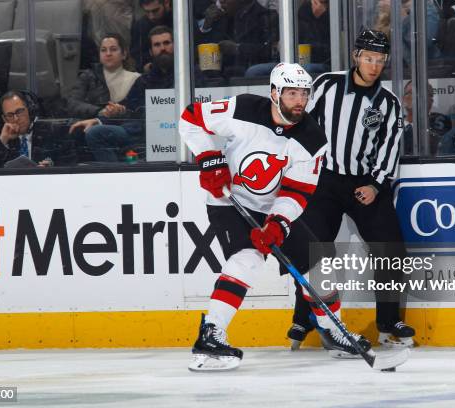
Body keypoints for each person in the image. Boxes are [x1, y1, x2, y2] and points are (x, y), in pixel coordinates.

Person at [178, 62, 361, 371]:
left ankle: (332, 330)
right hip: (229, 200)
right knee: (248, 258)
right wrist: (210, 159)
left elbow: (297, 192)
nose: (299, 101)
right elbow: (191, 119)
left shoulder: (312, 140)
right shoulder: (244, 107)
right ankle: (211, 334)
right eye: (292, 94)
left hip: (270, 208)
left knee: (319, 264)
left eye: (304, 94)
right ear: (275, 93)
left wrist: (278, 222)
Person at [282, 29, 415, 351]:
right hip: (324, 180)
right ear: (356, 56)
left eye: (380, 60)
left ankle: (388, 319)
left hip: (364, 184)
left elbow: (389, 148)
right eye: (369, 58)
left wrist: (376, 184)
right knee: (314, 250)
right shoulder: (326, 85)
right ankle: (304, 317)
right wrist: (300, 169)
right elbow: (301, 127)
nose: (374, 65)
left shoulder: (389, 104)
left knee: (391, 248)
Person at [69, 27, 180, 162]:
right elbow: (129, 108)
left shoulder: (190, 75)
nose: (162, 48)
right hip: (139, 132)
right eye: (157, 45)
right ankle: (115, 179)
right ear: (151, 51)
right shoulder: (143, 81)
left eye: (166, 43)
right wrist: (100, 118)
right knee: (92, 132)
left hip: (179, 131)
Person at [194, 0, 279, 76]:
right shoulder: (220, 19)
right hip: (221, 79)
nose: (222, 1)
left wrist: (238, 48)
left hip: (252, 79)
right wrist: (207, 26)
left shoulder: (267, 17)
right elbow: (200, 55)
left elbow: (270, 52)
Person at [66, 33, 140, 119]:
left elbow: (140, 110)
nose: (108, 54)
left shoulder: (136, 79)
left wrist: (123, 111)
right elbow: (73, 104)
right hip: (92, 125)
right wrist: (100, 111)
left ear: (124, 54)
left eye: (113, 49)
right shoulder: (88, 76)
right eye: (103, 50)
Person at [0, 91, 53, 168]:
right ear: (4, 119)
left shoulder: (50, 134)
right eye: (10, 115)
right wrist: (3, 140)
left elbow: (63, 161)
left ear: (30, 110)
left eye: (19, 111)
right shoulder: (1, 141)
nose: (16, 119)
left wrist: (51, 167)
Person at [402, 80, 452, 155]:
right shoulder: (392, 124)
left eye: (416, 94)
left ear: (430, 101)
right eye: (408, 93)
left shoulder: (439, 125)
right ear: (403, 99)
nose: (411, 97)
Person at [130, 0, 173, 73]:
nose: (151, 16)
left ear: (166, 2)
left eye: (155, 11)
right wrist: (145, 67)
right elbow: (137, 56)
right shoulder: (140, 26)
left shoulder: (182, 20)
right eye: (147, 12)